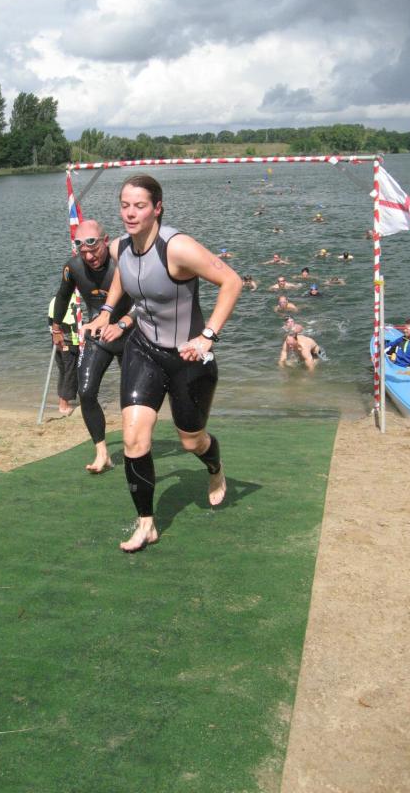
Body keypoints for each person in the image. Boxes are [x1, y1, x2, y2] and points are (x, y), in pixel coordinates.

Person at [86, 174, 242, 552]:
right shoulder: (120, 246)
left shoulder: (177, 247)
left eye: (139, 206)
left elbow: (232, 282)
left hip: (189, 357)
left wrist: (208, 336)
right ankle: (146, 524)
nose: (130, 213)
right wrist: (107, 310)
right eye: (125, 205)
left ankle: (215, 468)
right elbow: (124, 275)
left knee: (191, 441)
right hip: (143, 349)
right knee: (134, 438)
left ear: (157, 208)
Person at [52, 220, 133, 473]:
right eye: (83, 252)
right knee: (86, 392)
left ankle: (136, 444)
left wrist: (122, 324)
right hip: (98, 334)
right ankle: (102, 453)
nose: (89, 257)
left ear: (105, 241)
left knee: (132, 396)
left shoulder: (124, 263)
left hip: (130, 334)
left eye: (94, 249)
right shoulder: (73, 267)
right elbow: (63, 295)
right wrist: (56, 328)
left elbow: (145, 301)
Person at [48, 295, 79, 415]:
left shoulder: (55, 299)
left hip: (55, 341)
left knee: (63, 371)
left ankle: (62, 401)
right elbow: (72, 323)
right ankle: (63, 405)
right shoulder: (73, 301)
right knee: (70, 372)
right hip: (67, 342)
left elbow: (50, 321)